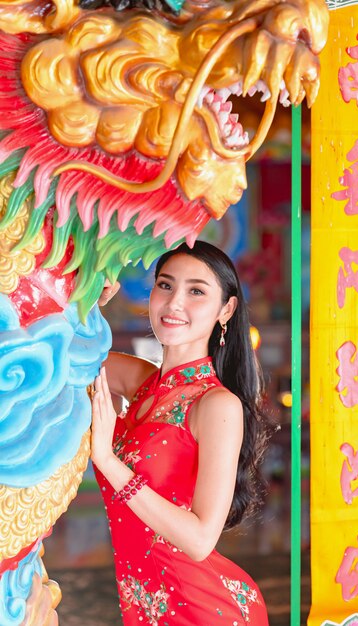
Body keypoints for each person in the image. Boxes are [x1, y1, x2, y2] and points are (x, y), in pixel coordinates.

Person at [92, 240, 270, 625]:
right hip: (144, 607)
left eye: (196, 291)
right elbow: (71, 355)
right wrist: (91, 300)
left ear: (226, 309)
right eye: (166, 285)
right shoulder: (141, 382)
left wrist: (107, 460)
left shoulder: (217, 404)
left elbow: (200, 539)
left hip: (204, 610)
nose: (174, 303)